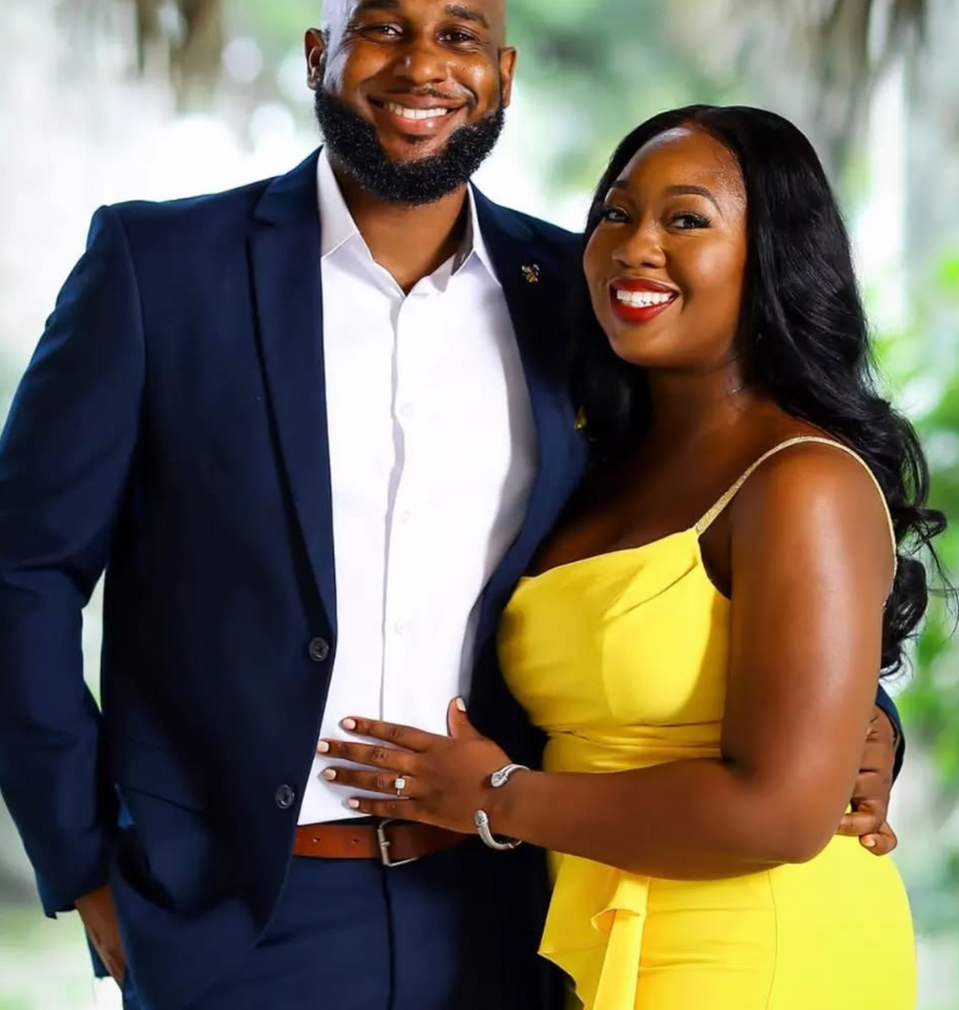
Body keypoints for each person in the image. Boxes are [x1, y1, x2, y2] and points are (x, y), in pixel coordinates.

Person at [0, 0, 901, 1000]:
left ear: (502, 75)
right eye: (383, 28)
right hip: (238, 910)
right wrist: (81, 861)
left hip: (507, 900)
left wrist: (859, 721)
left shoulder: (572, 293)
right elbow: (22, 571)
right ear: (319, 54)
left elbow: (692, 523)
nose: (422, 64)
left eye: (460, 34)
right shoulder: (160, 268)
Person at [316, 106, 948, 1009]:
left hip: (756, 949)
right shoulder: (598, 462)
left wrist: (494, 796)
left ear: (772, 255)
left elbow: (779, 813)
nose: (635, 246)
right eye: (615, 214)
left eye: (685, 219)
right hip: (597, 929)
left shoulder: (801, 480)